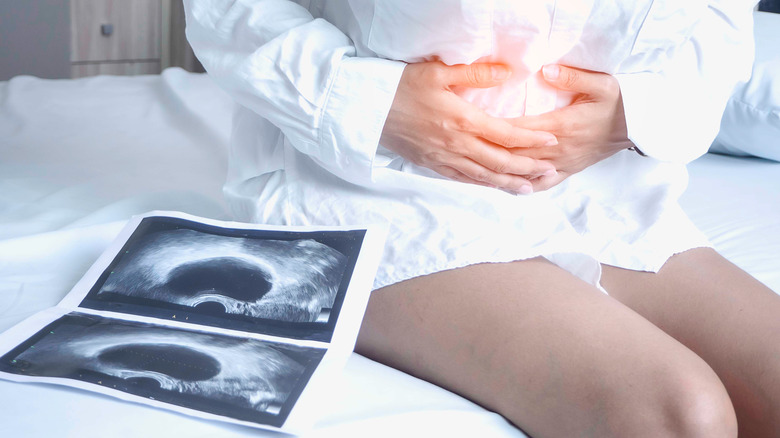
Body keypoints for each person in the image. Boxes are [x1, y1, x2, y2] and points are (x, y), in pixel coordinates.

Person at [184, 1, 780, 436]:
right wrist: (368, 102)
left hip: (600, 193)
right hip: (371, 189)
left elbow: (721, 26)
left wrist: (633, 114)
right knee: (680, 414)